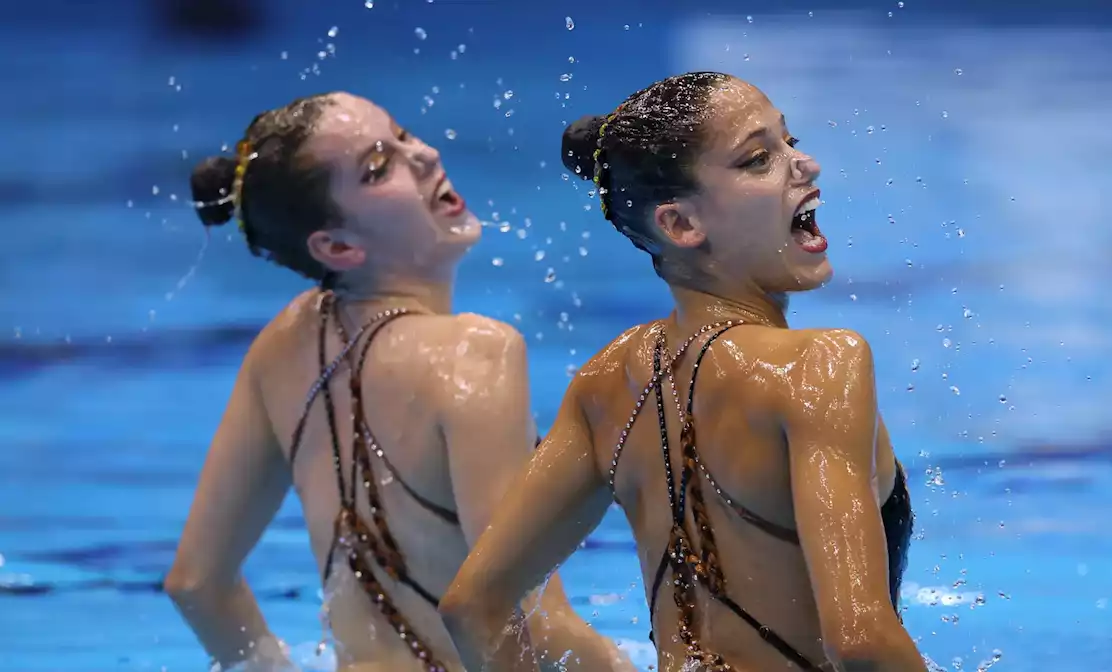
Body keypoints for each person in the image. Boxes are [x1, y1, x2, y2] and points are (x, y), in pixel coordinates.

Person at [439, 72, 926, 671]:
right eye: (757, 159)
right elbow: (860, 639)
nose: (806, 165)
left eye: (789, 140)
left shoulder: (604, 381)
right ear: (681, 225)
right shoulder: (821, 365)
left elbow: (472, 605)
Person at [164, 92, 632, 672]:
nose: (427, 156)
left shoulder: (282, 344)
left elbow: (197, 582)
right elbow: (529, 615)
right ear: (337, 246)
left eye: (405, 135)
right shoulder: (475, 355)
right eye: (378, 167)